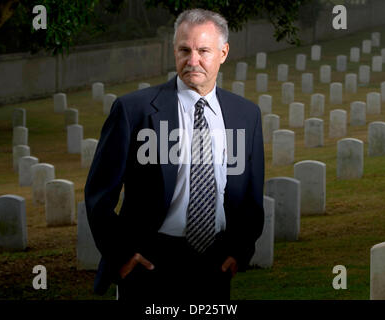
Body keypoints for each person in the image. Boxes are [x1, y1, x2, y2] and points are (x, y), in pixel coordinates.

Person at [84, 8, 264, 301]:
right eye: (184, 50)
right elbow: (98, 195)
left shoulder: (246, 115)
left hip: (214, 264)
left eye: (203, 50)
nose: (193, 61)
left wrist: (239, 252)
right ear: (174, 51)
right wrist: (123, 255)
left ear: (223, 52)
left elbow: (252, 197)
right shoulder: (135, 111)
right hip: (150, 262)